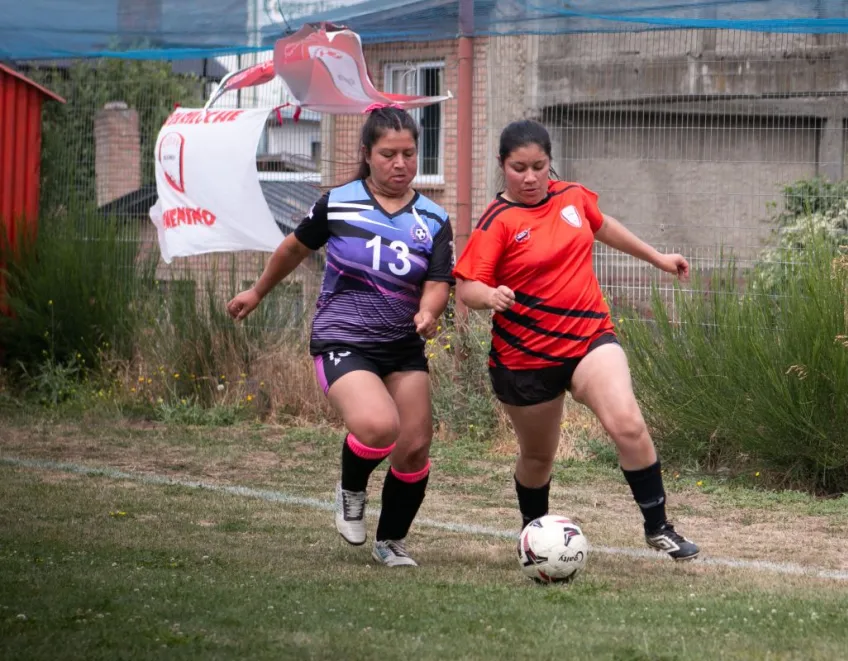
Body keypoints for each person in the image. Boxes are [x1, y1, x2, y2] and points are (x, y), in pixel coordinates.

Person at [452, 119, 699, 561]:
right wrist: (489, 295)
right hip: (525, 359)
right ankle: (535, 538)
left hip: (589, 338)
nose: (529, 177)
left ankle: (659, 527)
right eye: (518, 168)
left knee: (627, 422)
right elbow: (467, 286)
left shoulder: (572, 197)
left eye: (538, 166)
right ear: (502, 166)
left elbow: (602, 225)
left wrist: (658, 258)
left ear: (551, 163)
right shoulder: (498, 222)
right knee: (538, 458)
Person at [227, 104, 454, 567]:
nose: (400, 164)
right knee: (377, 427)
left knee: (413, 446)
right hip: (343, 338)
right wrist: (257, 291)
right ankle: (352, 488)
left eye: (409, 153)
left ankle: (391, 542)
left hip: (402, 345)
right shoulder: (339, 201)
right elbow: (294, 248)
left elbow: (438, 280)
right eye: (389, 154)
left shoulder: (433, 218)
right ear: (367, 154)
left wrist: (429, 313)